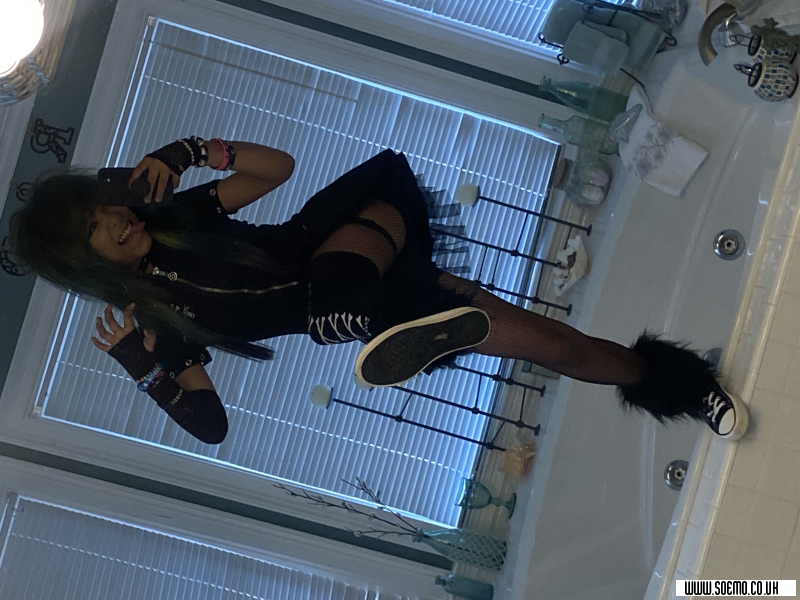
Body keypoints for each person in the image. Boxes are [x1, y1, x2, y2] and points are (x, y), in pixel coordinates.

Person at [10, 137, 749, 445]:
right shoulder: (157, 325)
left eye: (103, 207)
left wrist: (193, 151)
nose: (115, 220)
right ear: (84, 261)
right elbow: (210, 426)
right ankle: (680, 385)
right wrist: (143, 369)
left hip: (353, 232)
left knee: (338, 289)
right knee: (555, 346)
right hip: (388, 302)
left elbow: (278, 168)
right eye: (95, 229)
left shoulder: (181, 218)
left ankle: (394, 327)